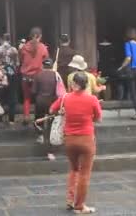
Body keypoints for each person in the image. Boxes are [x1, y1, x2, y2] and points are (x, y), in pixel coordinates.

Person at [49, 72, 102, 214]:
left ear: (74, 84)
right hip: (86, 139)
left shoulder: (65, 98)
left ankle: (70, 199)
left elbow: (51, 109)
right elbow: (98, 118)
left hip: (70, 139)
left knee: (74, 170)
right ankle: (79, 206)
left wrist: (64, 111)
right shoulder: (92, 99)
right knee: (84, 173)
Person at [19, 27, 49, 124]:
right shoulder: (43, 47)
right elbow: (46, 60)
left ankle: (26, 117)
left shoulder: (24, 47)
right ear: (40, 36)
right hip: (38, 76)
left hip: (25, 76)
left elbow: (21, 59)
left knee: (26, 98)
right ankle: (38, 118)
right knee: (38, 97)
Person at [32, 59, 59, 161]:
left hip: (40, 100)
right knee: (52, 125)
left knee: (39, 119)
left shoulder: (38, 75)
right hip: (52, 102)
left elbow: (34, 91)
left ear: (42, 66)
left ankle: (40, 134)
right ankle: (50, 150)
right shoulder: (56, 76)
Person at [0, 33, 20, 124]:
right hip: (12, 73)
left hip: (1, 74)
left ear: (1, 40)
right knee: (12, 96)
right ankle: (11, 119)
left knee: (0, 96)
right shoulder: (14, 50)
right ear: (9, 40)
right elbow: (18, 64)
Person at [117, 28, 136, 120]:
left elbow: (128, 58)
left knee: (132, 91)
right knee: (134, 89)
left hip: (131, 70)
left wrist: (121, 67)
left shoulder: (128, 44)